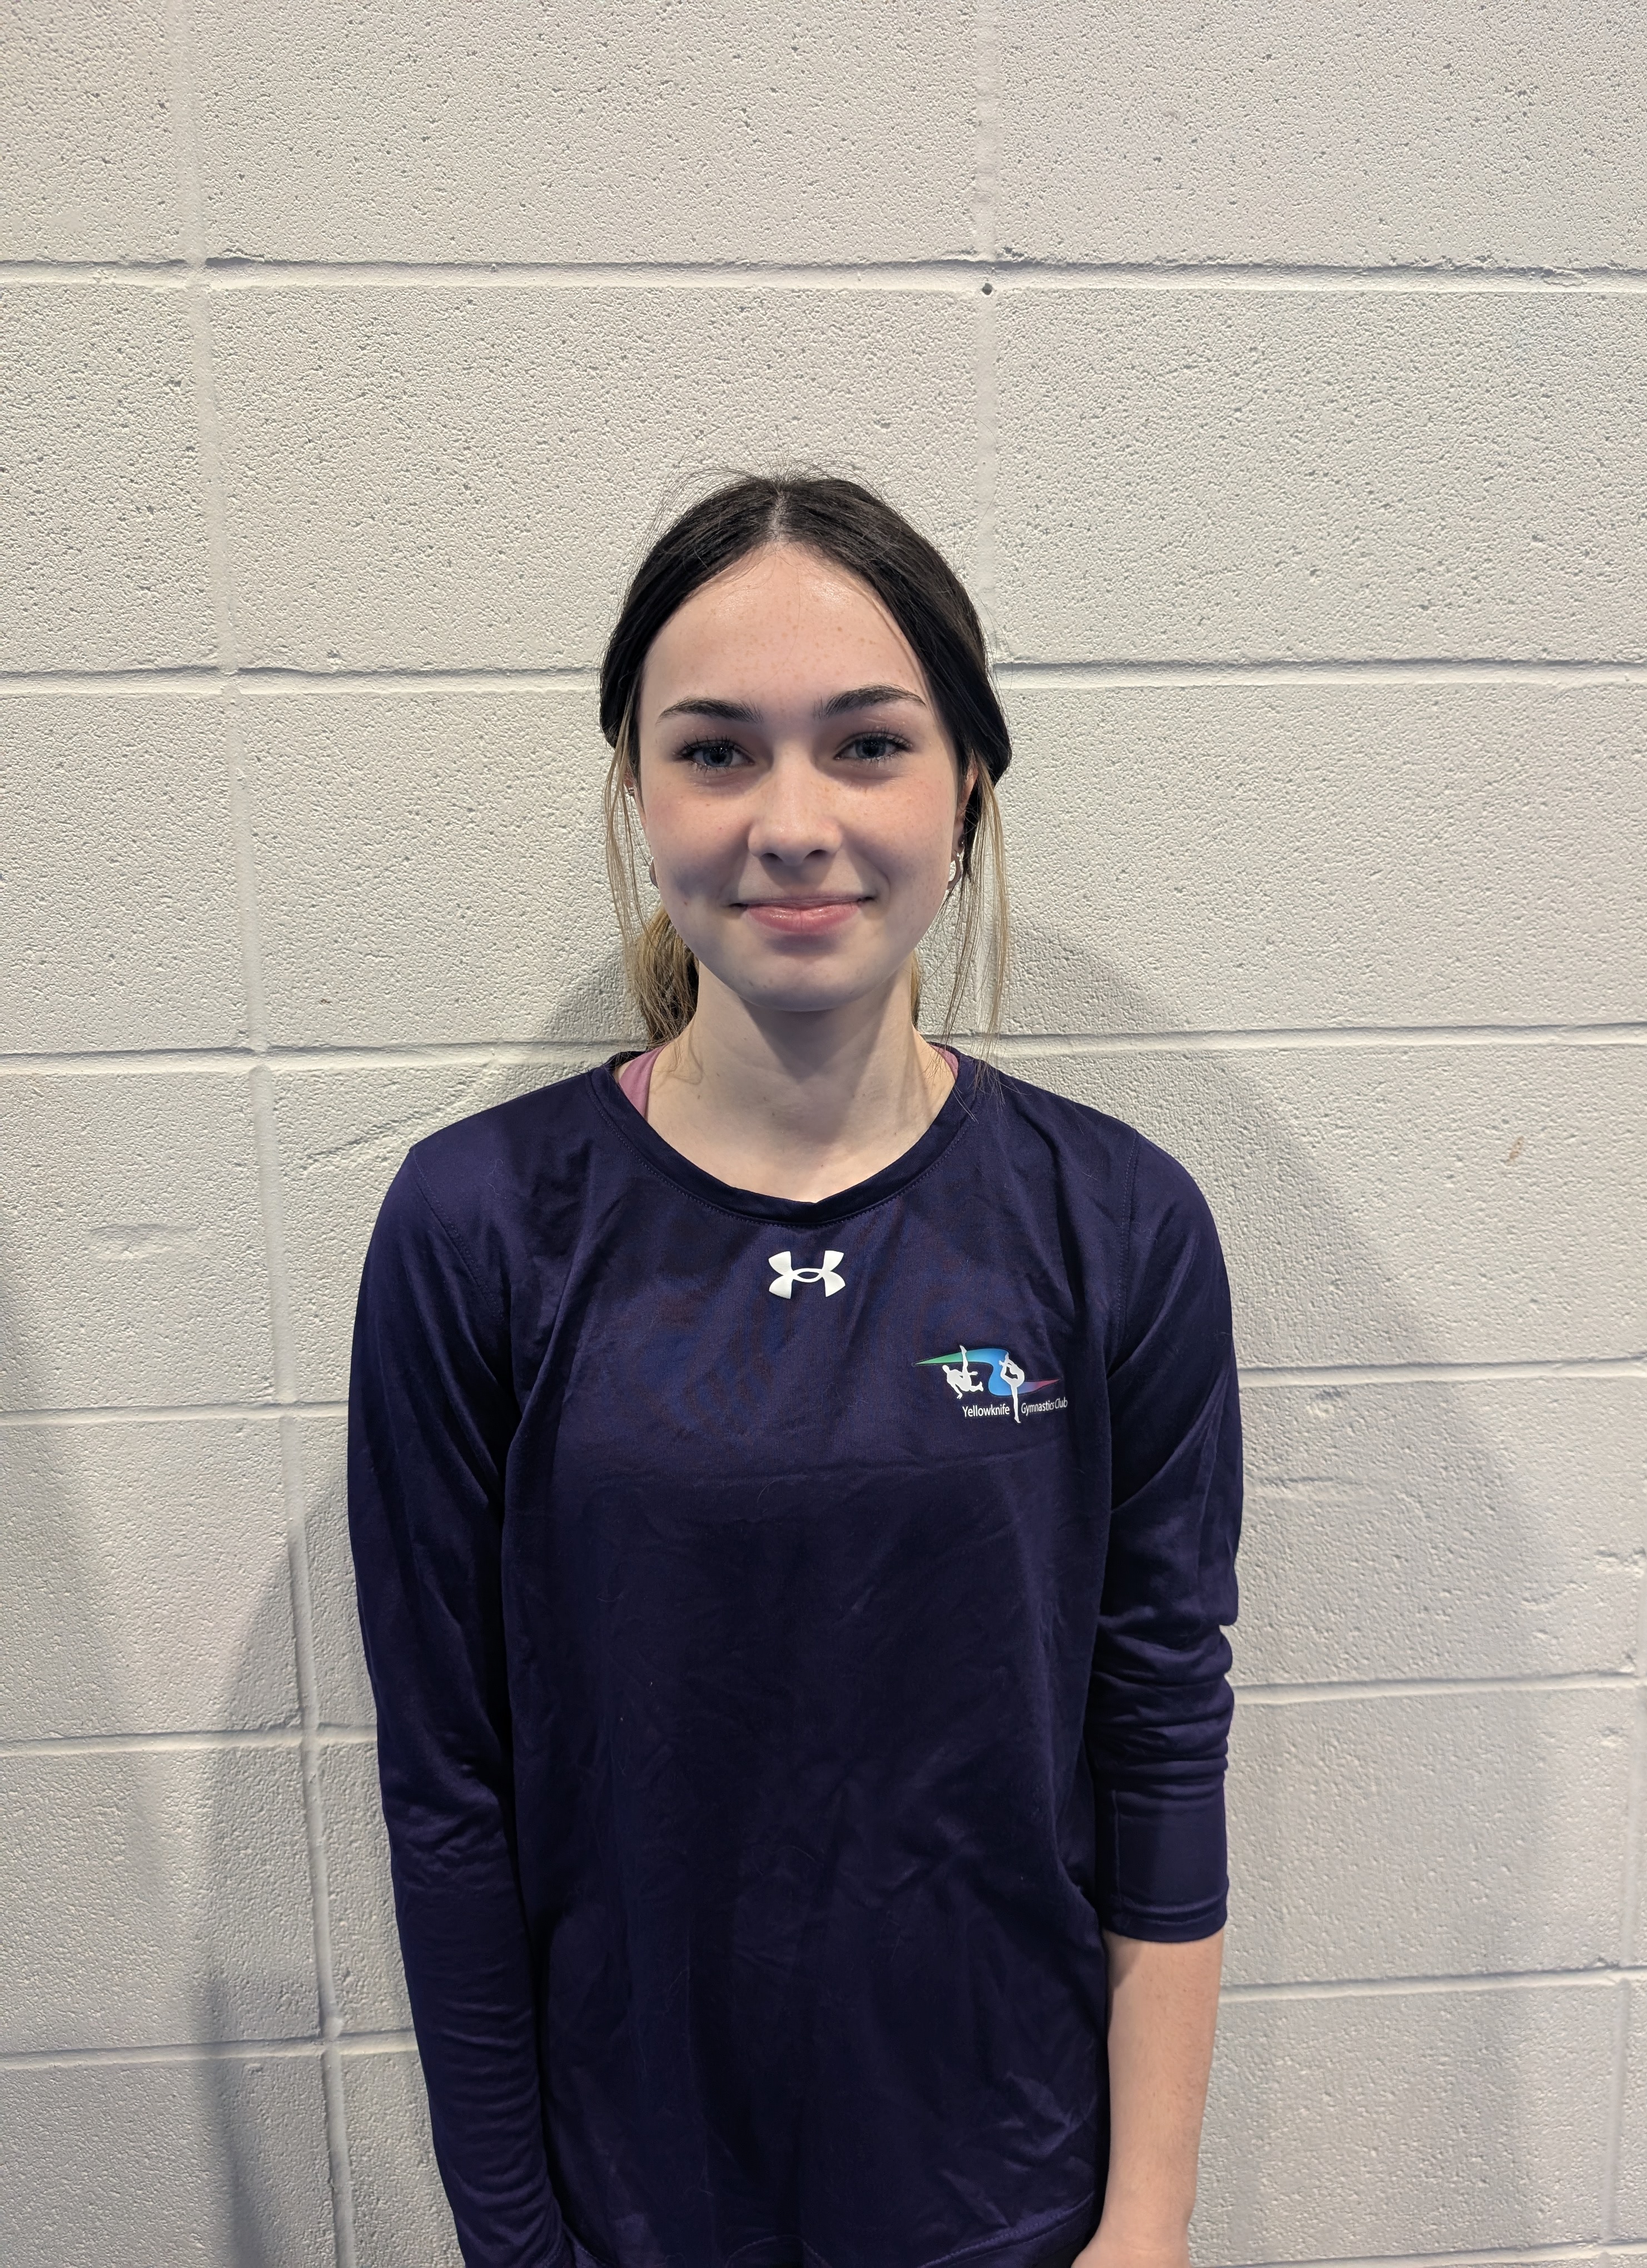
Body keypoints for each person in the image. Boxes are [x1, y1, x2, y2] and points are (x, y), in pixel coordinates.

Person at [346, 474, 1243, 2268]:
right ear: (638, 791)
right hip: (628, 2205)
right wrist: (515, 2241)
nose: (794, 822)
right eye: (717, 753)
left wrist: (1145, 2224)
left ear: (965, 786)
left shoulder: (1118, 1223)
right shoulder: (476, 1227)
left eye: (868, 745)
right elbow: (451, 1794)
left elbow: (1161, 1741)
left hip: (1011, 2198)